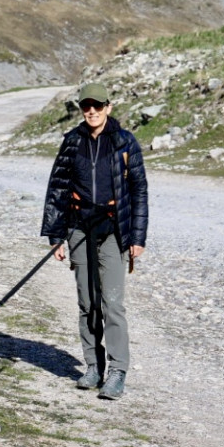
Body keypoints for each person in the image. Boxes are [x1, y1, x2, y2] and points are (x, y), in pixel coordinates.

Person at [41, 81, 148, 400]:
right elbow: (57, 188)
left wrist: (137, 237)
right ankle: (93, 366)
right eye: (86, 106)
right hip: (78, 228)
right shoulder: (72, 141)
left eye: (97, 106)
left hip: (114, 230)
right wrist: (55, 235)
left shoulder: (125, 142)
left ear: (108, 108)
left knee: (112, 302)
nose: (91, 111)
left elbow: (139, 191)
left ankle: (117, 370)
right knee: (86, 302)